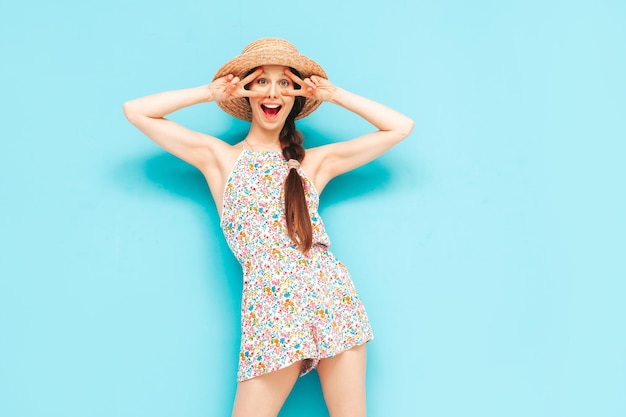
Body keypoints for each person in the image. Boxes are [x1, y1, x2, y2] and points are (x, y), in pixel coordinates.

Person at [123, 38, 414, 417]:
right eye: (262, 81)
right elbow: (136, 111)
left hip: (331, 297)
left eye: (284, 83)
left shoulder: (311, 162)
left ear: (295, 96)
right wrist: (210, 93)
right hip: (270, 305)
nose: (273, 92)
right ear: (247, 92)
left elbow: (400, 127)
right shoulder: (221, 159)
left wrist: (333, 94)